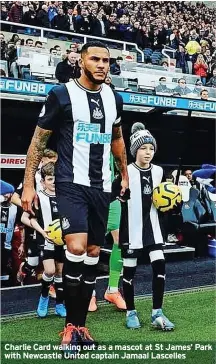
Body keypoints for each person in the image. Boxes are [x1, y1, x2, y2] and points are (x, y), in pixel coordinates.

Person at [21, 41, 129, 350]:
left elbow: (117, 139)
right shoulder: (61, 95)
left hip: (102, 187)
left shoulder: (114, 98)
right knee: (77, 247)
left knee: (93, 253)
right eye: (95, 59)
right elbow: (38, 142)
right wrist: (28, 184)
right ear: (81, 62)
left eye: (106, 60)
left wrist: (123, 173)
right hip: (71, 184)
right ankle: (69, 327)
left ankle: (81, 327)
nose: (101, 64)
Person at [118, 122, 174, 331]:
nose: (148, 152)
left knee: (160, 267)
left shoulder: (159, 172)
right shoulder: (126, 173)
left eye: (151, 148)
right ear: (134, 151)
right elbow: (117, 199)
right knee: (129, 273)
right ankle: (131, 312)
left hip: (154, 229)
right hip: (131, 230)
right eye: (143, 148)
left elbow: (165, 200)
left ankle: (157, 313)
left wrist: (172, 205)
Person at [21, 162, 66, 317]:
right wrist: (42, 231)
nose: (53, 182)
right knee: (50, 270)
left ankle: (60, 304)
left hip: (62, 241)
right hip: (45, 239)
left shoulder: (65, 196)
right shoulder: (38, 197)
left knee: (60, 272)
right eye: (49, 179)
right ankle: (44, 297)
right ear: (43, 182)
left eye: (55, 179)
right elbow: (25, 218)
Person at [89, 154, 126, 312]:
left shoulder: (115, 140)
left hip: (111, 197)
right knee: (90, 246)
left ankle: (112, 290)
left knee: (121, 241)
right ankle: (89, 293)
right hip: (91, 197)